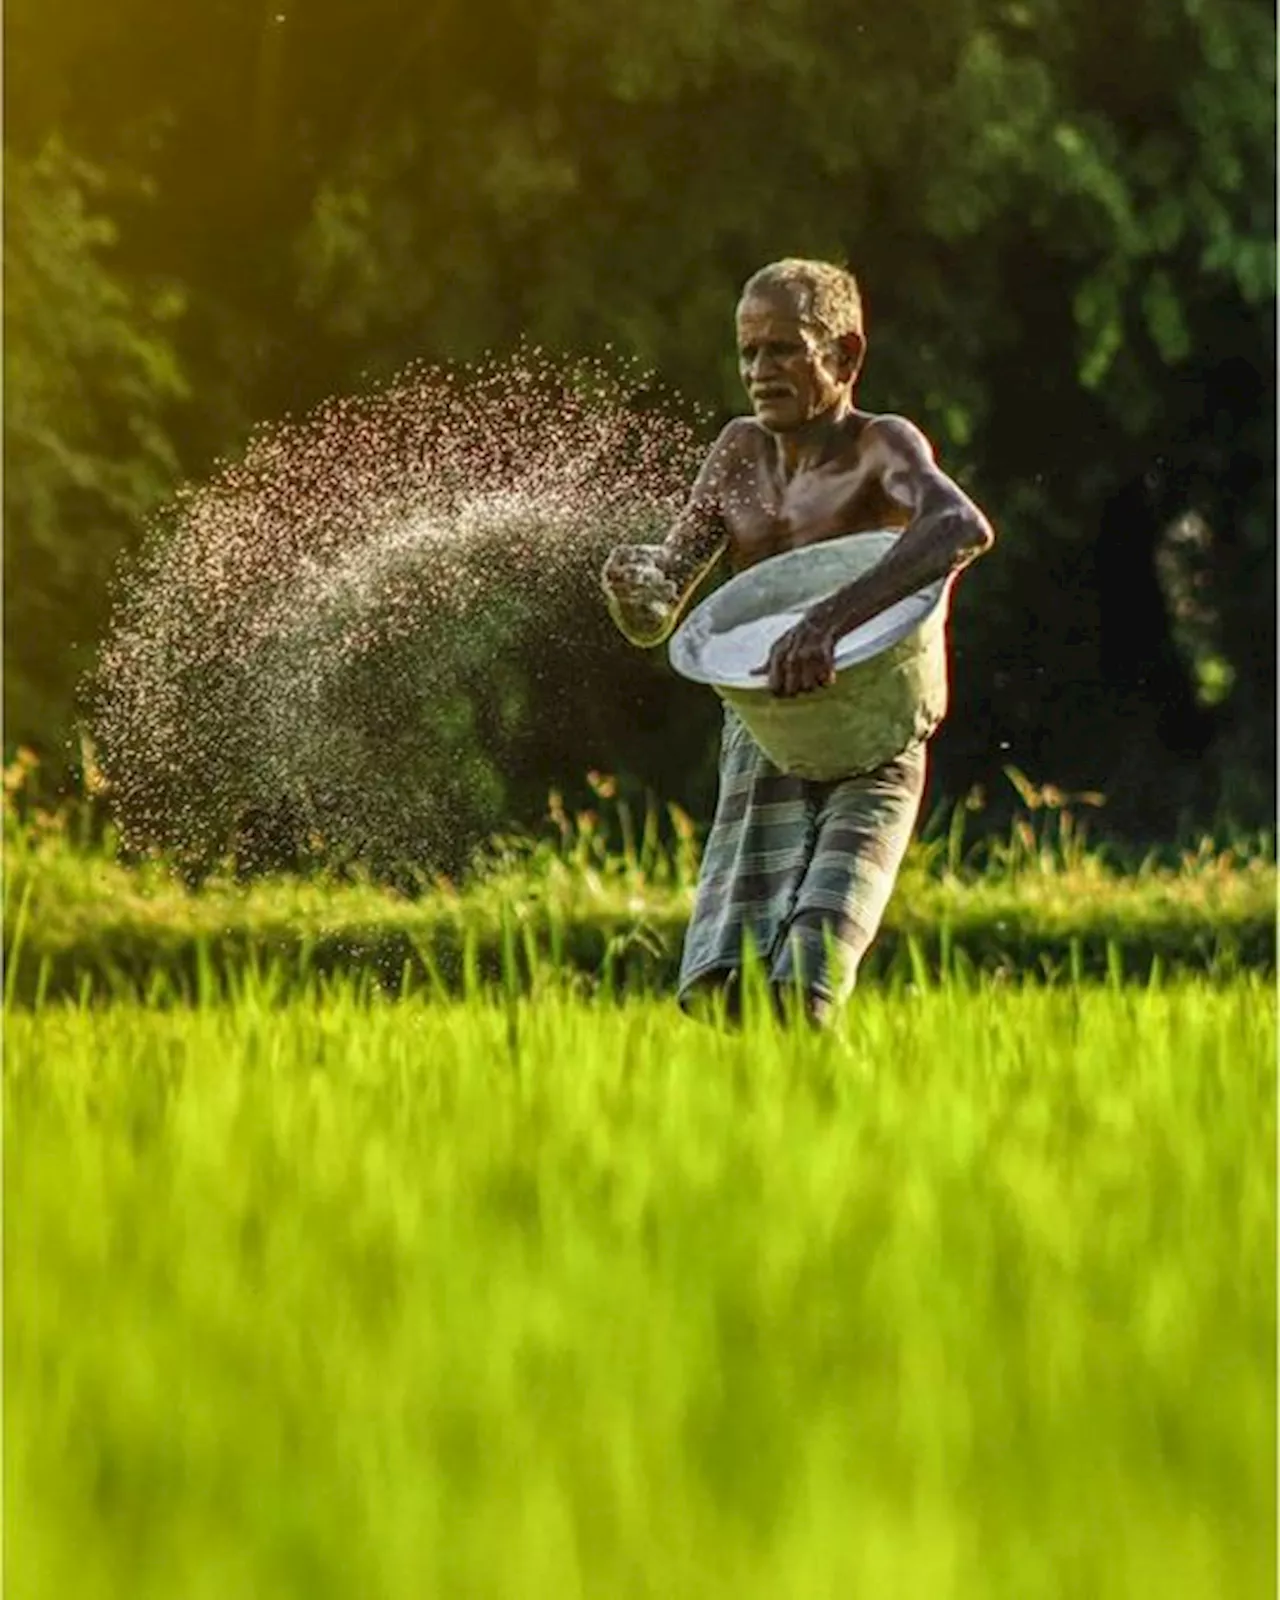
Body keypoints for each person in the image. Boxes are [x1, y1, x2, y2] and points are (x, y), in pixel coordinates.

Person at [601, 258, 994, 1026]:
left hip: (873, 725)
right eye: (748, 352)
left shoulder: (881, 448)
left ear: (844, 357)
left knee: (810, 973)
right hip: (766, 732)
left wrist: (826, 622)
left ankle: (839, 1121)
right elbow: (666, 614)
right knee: (731, 986)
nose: (760, 370)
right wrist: (635, 591)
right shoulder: (737, 454)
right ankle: (760, 1133)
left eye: (784, 349)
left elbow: (960, 526)